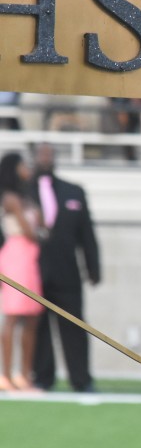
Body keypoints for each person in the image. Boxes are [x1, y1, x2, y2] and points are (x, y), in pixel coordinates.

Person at [31, 143, 101, 393]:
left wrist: (94, 268)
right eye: (41, 153)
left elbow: (87, 233)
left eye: (50, 153)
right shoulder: (22, 192)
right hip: (33, 272)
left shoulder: (73, 191)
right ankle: (42, 378)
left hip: (67, 272)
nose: (45, 158)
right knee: (38, 329)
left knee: (74, 327)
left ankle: (81, 379)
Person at [0, 153, 44, 392]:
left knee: (32, 316)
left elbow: (42, 224)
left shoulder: (26, 196)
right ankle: (5, 374)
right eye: (23, 166)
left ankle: (24, 374)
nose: (27, 169)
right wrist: (41, 234)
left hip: (30, 257)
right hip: (16, 254)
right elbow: (30, 231)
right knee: (13, 315)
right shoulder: (11, 199)